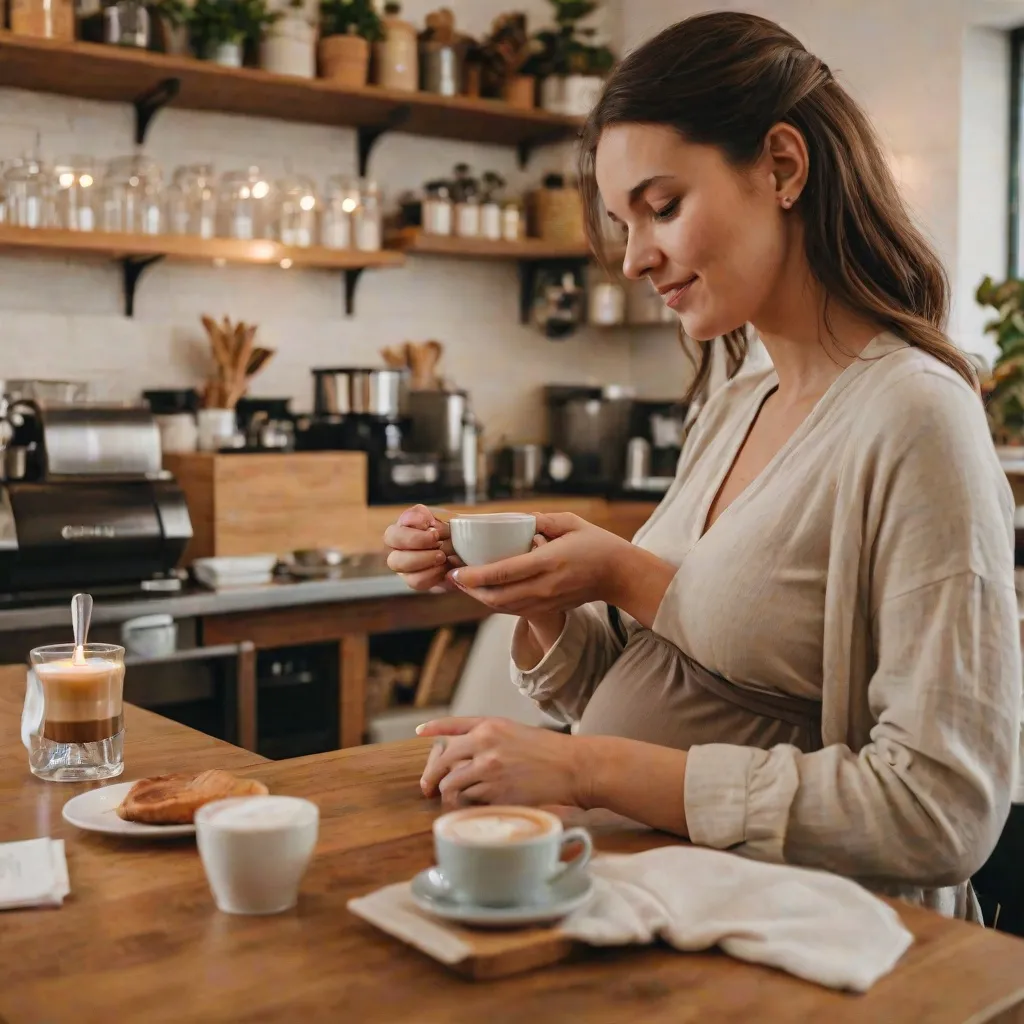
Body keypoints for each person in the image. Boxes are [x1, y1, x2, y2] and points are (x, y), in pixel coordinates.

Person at [383, 11, 1022, 919]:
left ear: (783, 167)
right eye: (622, 221)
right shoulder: (733, 403)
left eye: (662, 206)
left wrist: (586, 765)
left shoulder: (915, 417)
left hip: (817, 943)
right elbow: (663, 681)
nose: (637, 257)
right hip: (657, 907)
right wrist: (547, 601)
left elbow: (939, 812)